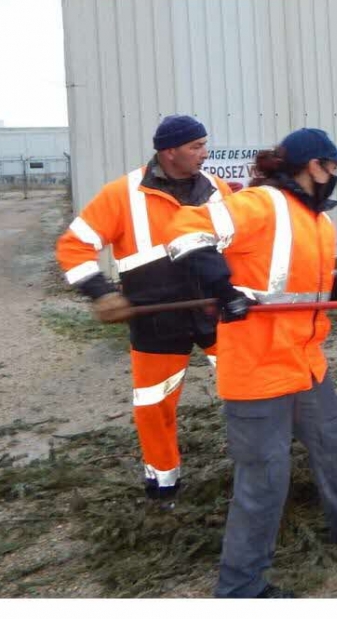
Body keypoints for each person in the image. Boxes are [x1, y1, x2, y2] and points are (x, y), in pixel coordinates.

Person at [165, 128, 337, 598]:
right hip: (258, 369)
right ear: (311, 166)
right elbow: (184, 228)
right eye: (333, 166)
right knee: (263, 480)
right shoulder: (263, 204)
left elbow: (306, 284)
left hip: (305, 364)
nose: (336, 175)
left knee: (332, 442)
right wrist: (222, 287)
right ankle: (240, 588)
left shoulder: (317, 222)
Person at [56, 115, 232, 501]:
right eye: (196, 147)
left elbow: (241, 242)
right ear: (169, 152)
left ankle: (257, 468)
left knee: (244, 389)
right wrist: (100, 292)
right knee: (155, 404)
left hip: (214, 311)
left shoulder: (217, 189)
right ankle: (163, 484)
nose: (205, 153)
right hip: (156, 320)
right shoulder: (122, 194)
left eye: (204, 144)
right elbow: (73, 246)